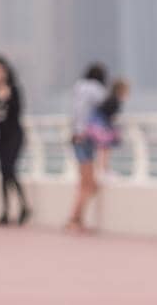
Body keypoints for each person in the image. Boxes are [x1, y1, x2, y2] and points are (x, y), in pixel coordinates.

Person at [0, 55, 29, 226]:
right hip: (0, 135)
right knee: (3, 173)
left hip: (14, 134)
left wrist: (5, 98)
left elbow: (17, 112)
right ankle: (6, 211)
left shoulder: (13, 89)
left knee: (10, 169)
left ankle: (24, 207)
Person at [64, 62, 109, 233]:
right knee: (88, 184)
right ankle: (74, 219)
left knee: (84, 181)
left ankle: (78, 219)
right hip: (86, 138)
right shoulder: (94, 89)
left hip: (76, 136)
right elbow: (106, 102)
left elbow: (77, 112)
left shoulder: (78, 88)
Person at [90, 77, 129, 171]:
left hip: (96, 124)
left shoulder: (110, 98)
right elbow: (109, 116)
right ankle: (103, 169)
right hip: (101, 126)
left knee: (101, 149)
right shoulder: (115, 101)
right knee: (104, 148)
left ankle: (100, 169)